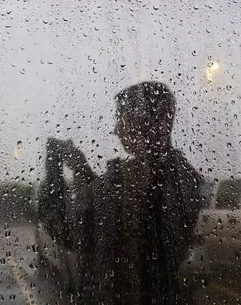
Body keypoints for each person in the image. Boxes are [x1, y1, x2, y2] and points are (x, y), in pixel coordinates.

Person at [57, 81, 204, 305]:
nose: (115, 129)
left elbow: (72, 231)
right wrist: (82, 169)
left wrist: (53, 170)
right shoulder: (184, 176)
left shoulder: (129, 180)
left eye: (121, 118)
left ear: (142, 122)